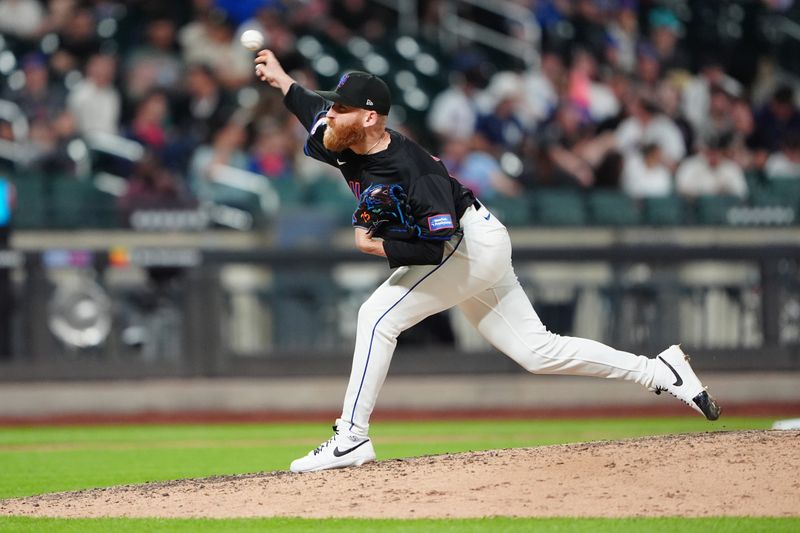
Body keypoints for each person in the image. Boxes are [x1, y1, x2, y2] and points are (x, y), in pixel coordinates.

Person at [254, 50, 721, 474]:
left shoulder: (415, 171)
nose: (329, 115)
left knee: (376, 317)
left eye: (340, 108)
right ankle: (660, 370)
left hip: (467, 244)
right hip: (475, 242)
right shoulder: (341, 138)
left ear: (370, 118)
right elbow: (310, 108)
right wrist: (281, 81)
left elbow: (434, 248)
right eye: (332, 107)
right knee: (537, 351)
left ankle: (352, 437)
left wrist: (375, 246)